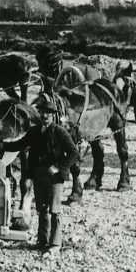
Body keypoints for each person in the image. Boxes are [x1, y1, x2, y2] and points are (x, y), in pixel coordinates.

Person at [5, 96, 80, 254]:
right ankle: (42, 240)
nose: (45, 116)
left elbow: (74, 153)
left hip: (54, 178)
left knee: (54, 210)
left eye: (48, 113)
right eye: (42, 113)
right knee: (42, 209)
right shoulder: (34, 132)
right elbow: (18, 144)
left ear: (53, 115)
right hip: (38, 175)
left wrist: (60, 168)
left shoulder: (59, 131)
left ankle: (55, 244)